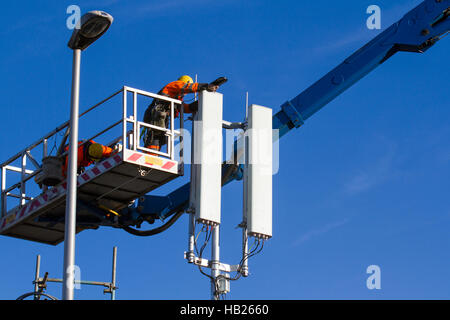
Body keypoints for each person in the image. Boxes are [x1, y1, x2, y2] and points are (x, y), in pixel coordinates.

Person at [142, 75, 219, 152]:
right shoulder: (174, 85)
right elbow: (187, 87)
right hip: (156, 117)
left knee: (159, 139)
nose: (185, 94)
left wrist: (199, 104)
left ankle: (152, 156)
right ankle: (150, 156)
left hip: (160, 119)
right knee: (154, 137)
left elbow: (185, 108)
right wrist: (206, 86)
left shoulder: (176, 97)